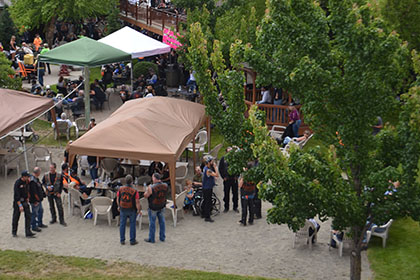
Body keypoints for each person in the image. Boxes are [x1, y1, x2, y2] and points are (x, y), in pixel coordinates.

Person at [144, 173, 168, 243]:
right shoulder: (165, 185)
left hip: (153, 207)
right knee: (162, 222)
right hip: (162, 205)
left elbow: (146, 195)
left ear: (154, 178)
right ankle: (162, 237)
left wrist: (146, 190)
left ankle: (152, 238)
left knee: (152, 223)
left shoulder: (151, 187)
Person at [117, 175, 140, 245]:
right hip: (132, 208)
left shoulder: (120, 189)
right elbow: (137, 202)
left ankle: (122, 240)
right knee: (132, 224)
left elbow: (118, 199)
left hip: (123, 208)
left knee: (122, 224)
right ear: (132, 181)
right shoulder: (135, 191)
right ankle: (132, 240)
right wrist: (139, 210)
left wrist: (119, 206)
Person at [12, 171, 35, 238]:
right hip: (18, 202)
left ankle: (28, 232)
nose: (28, 178)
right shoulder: (17, 183)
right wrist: (20, 205)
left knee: (28, 216)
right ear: (23, 177)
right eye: (27, 176)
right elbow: (16, 196)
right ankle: (14, 231)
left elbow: (27, 190)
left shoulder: (26, 182)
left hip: (25, 201)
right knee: (16, 217)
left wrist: (27, 198)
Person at [218, 147, 239, 213]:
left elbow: (239, 167)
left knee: (235, 193)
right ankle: (226, 207)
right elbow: (220, 168)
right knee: (226, 193)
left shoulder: (235, 158)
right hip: (227, 179)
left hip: (234, 178)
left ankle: (235, 207)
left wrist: (237, 176)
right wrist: (223, 177)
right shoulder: (223, 159)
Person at [29, 167, 47, 233]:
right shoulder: (33, 181)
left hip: (38, 199)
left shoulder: (35, 179)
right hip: (35, 200)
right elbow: (34, 192)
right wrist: (37, 200)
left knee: (40, 211)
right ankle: (33, 226)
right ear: (38, 172)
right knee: (34, 213)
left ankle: (39, 223)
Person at [202, 155, 219, 223]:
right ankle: (207, 216)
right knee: (208, 202)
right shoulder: (208, 170)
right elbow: (217, 175)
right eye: (211, 161)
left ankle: (204, 213)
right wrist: (215, 167)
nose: (213, 162)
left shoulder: (206, 168)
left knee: (206, 201)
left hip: (206, 187)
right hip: (207, 188)